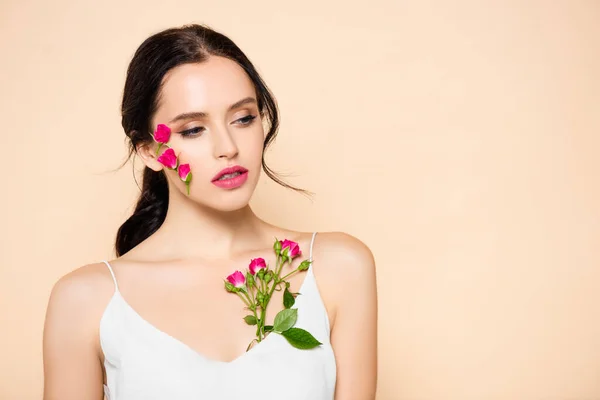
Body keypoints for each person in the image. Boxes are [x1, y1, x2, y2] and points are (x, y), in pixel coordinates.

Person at [42, 23, 378, 400]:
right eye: (192, 130)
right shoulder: (86, 300)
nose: (228, 147)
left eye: (243, 118)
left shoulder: (338, 267)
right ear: (149, 151)